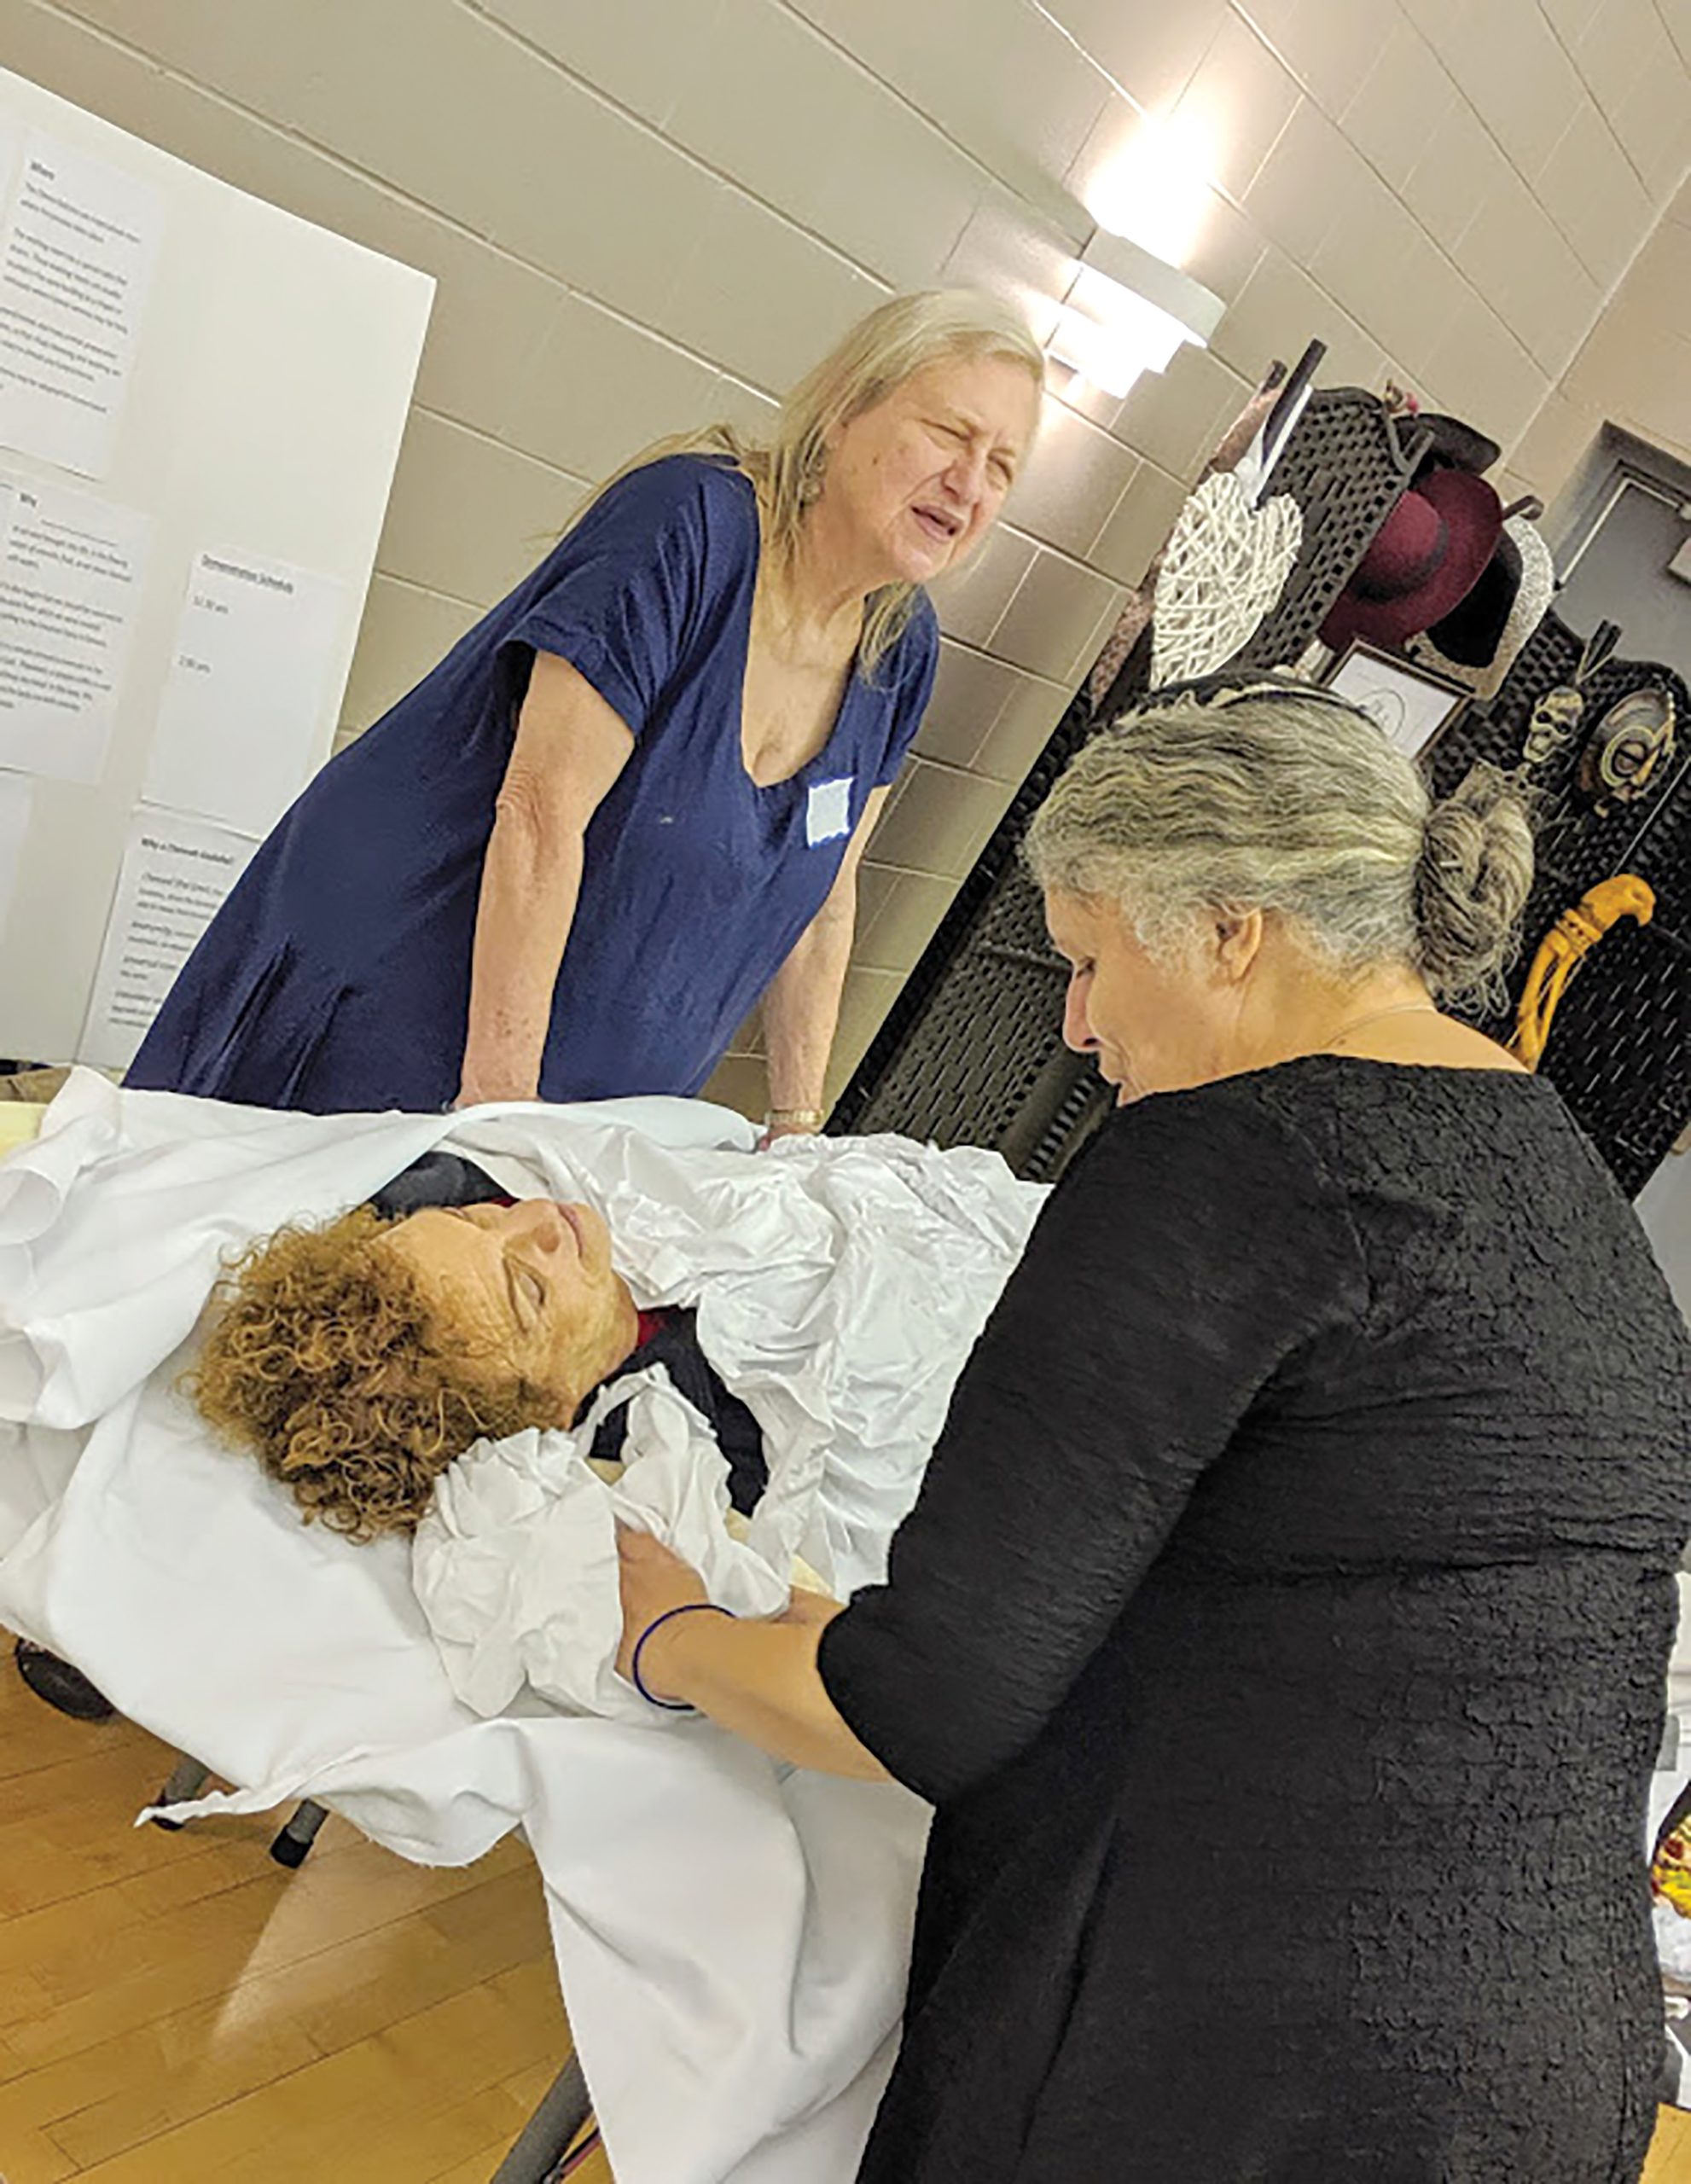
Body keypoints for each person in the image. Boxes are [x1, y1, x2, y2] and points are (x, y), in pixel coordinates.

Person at [614, 679, 1691, 2183]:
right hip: (1552, 2072)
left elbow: (925, 1707)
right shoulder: (1561, 1184)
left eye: (1088, 959)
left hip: (1228, 2070)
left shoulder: (1223, 1157)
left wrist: (668, 1634)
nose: (1076, 1025)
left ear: (1228, 929)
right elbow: (1317, 1595)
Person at [124, 290, 1044, 1131]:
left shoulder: (901, 651)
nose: (968, 483)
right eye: (947, 433)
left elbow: (823, 896)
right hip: (396, 1009)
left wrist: (796, 1129)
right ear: (846, 411)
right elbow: (539, 809)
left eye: (1001, 466)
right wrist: (498, 1119)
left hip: (594, 1109)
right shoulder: (688, 525)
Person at [188, 1151, 769, 1541]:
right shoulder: (725, 1440)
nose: (538, 1217)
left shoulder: (438, 1177)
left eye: (474, 1221)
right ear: (551, 1409)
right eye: (530, 1289)